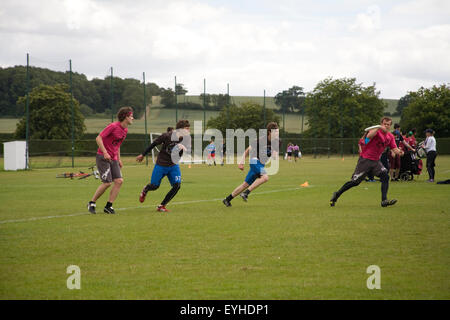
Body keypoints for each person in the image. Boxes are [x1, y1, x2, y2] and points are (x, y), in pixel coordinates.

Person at [330, 117, 403, 208]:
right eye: (385, 124)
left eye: (388, 125)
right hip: (365, 160)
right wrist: (378, 128)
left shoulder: (390, 136)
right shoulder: (376, 131)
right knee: (355, 182)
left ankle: (384, 200)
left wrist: (399, 152)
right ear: (381, 124)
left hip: (376, 161)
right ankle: (336, 194)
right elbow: (368, 136)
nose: (386, 126)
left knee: (385, 176)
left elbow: (394, 148)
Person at [136, 119, 191, 212]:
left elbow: (188, 151)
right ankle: (145, 189)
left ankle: (162, 206)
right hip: (161, 164)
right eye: (187, 129)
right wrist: (143, 154)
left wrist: (184, 148)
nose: (189, 131)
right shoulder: (167, 136)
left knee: (177, 186)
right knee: (154, 186)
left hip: (173, 165)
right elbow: (153, 144)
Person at [87, 107, 134, 214]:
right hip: (103, 157)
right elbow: (98, 138)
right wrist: (105, 152)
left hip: (114, 159)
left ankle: (108, 206)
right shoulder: (113, 126)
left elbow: (117, 145)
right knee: (107, 183)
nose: (133, 118)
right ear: (126, 116)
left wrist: (119, 160)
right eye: (131, 116)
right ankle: (92, 202)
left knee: (119, 181)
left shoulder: (125, 130)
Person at [223, 122, 279, 207]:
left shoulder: (277, 142)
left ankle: (227, 199)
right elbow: (248, 150)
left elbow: (274, 156)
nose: (277, 133)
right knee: (265, 177)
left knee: (245, 184)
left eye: (278, 131)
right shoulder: (261, 140)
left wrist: (274, 153)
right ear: (269, 132)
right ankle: (246, 193)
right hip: (254, 161)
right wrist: (241, 162)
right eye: (275, 132)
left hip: (261, 164)